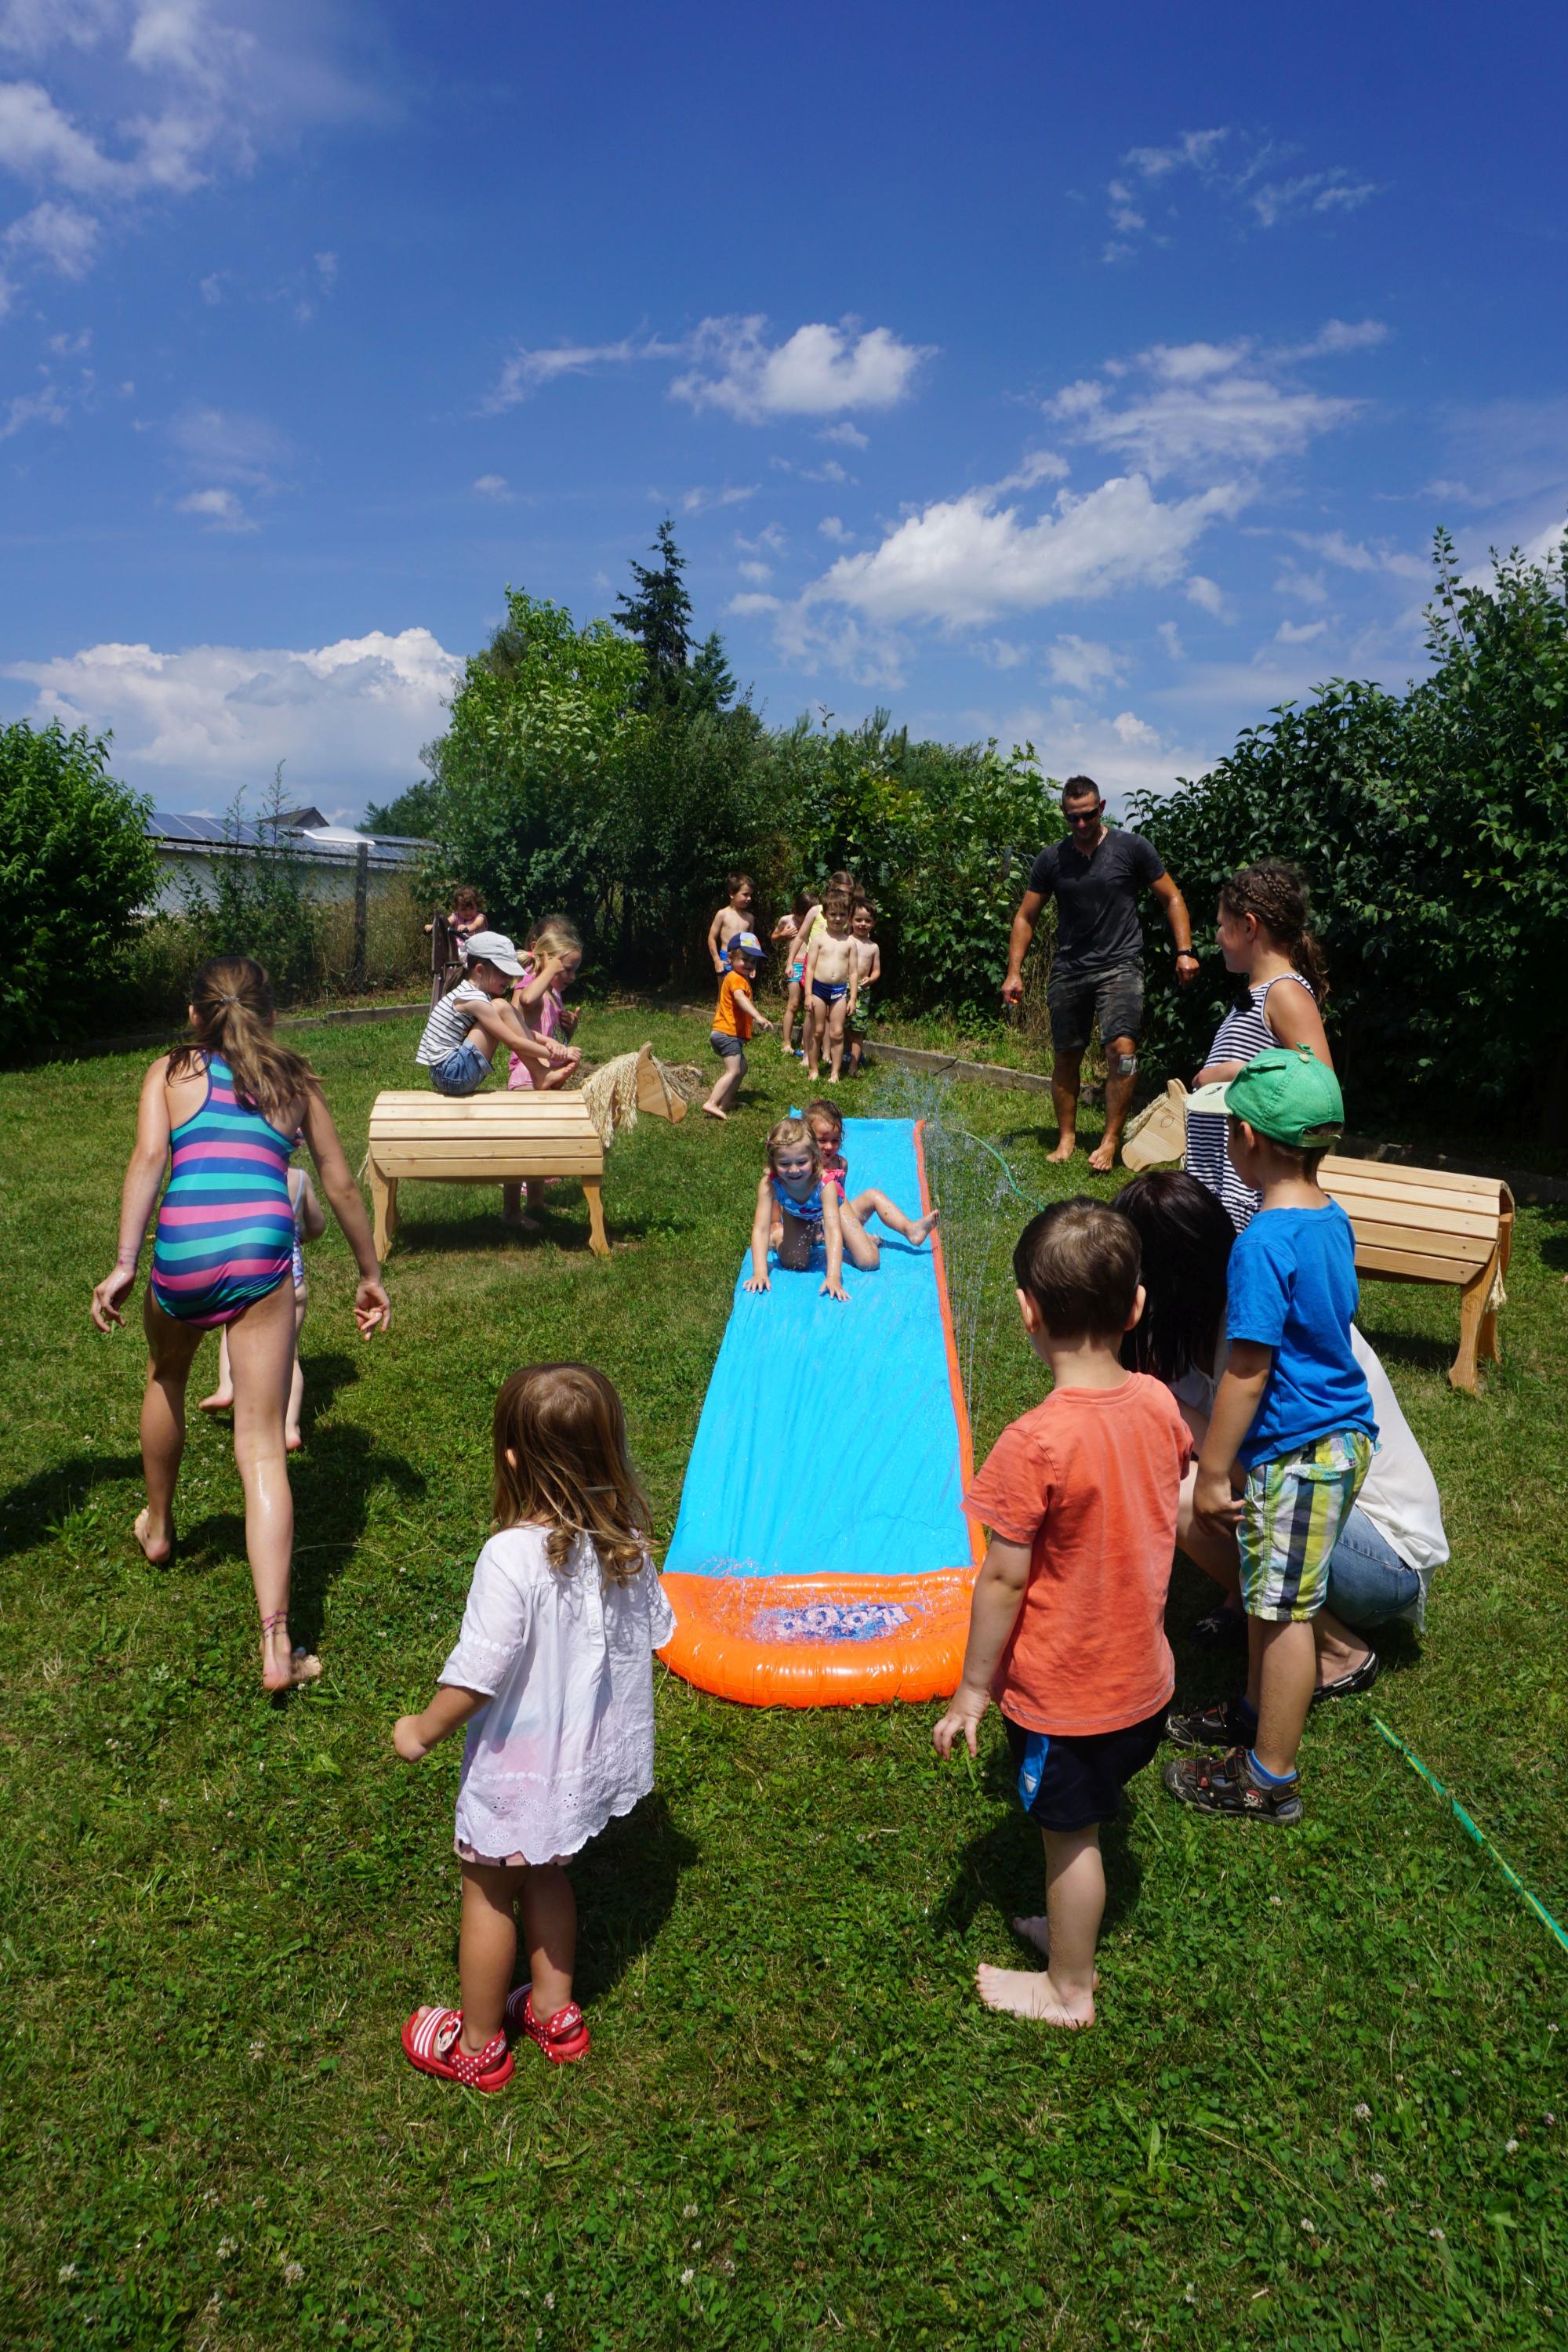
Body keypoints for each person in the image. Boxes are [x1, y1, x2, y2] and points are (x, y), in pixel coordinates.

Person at [89, 957, 390, 1691]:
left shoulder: (169, 1071)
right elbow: (341, 1182)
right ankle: (277, 1646)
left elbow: (148, 1160)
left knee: (166, 1375)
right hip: (262, 1252)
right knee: (261, 1449)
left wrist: (127, 1261)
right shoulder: (296, 1079)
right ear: (272, 1014)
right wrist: (370, 1273)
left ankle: (158, 1530)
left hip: (183, 1252)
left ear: (196, 1015)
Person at [932, 1200, 1192, 2028]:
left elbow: (1003, 1581)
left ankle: (1066, 1986)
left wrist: (973, 1691)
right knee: (1087, 1815)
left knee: (1067, 1836)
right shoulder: (1156, 1403)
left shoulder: (1033, 1443)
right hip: (1145, 1684)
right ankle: (1068, 1922)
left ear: (1026, 1312)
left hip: (1069, 1698)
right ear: (1137, 1307)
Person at [394, 1363, 675, 2090]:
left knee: (488, 1889)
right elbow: (651, 1633)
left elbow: (477, 1675)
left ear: (513, 1459)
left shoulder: (509, 1557)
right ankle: (554, 2011)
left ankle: (479, 2046)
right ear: (607, 1452)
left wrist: (422, 1730)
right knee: (547, 1870)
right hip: (573, 1762)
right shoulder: (626, 1546)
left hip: (517, 1766)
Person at [1113, 1168, 1447, 1694]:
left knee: (1182, 1494)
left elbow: (1270, 1473)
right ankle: (1249, 1606)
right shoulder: (1197, 1326)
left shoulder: (1261, 1335)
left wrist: (1166, 1407)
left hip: (1385, 1561)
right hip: (1334, 1522)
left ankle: (1338, 1652)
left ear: (1167, 1280)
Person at [1161, 1048, 1377, 1828]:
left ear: (1246, 1138)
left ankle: (1265, 1777)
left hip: (1303, 1449)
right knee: (1265, 1588)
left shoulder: (1259, 1243)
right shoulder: (1328, 1216)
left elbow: (1245, 1372)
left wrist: (1213, 1469)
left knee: (1284, 1613)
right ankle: (1253, 1714)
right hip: (1330, 1439)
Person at [1001, 775, 1199, 1172]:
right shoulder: (1052, 859)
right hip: (1070, 969)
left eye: (1088, 815)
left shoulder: (1131, 848)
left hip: (1121, 964)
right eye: (1072, 818)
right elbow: (1025, 917)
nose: (1080, 824)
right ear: (1064, 814)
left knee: (1122, 1052)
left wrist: (1185, 951)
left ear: (1102, 808)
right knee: (1066, 1055)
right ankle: (1067, 1138)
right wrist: (1014, 973)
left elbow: (1171, 896)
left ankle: (1109, 1141)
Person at [1185, 862, 1333, 1231]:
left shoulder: (1285, 992)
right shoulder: (1258, 993)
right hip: (1219, 1182)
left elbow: (1320, 1084)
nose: (1217, 936)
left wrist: (1232, 1073)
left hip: (1247, 1196)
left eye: (1222, 925)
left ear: (1249, 926)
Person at [199, 1142, 325, 1450]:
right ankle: (289, 1427)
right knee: (289, 1357)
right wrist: (300, 1236)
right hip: (292, 1285)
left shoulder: (244, 1180)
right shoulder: (300, 1180)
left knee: (232, 1331)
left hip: (250, 1282)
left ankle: (227, 1387)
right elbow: (318, 1226)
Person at [502, 917, 586, 1230]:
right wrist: (549, 969)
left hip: (544, 1074)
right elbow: (525, 1000)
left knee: (537, 1141)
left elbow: (546, 1032)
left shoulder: (551, 992)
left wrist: (569, 1031)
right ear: (549, 964)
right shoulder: (530, 984)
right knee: (521, 1144)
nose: (572, 976)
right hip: (526, 1076)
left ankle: (535, 1201)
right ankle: (511, 1210)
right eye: (568, 969)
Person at [414, 931, 559, 1099]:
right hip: (453, 1073)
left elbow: (517, 1030)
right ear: (480, 970)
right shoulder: (474, 1000)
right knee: (501, 1007)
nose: (509, 979)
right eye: (503, 973)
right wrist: (551, 1054)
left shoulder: (470, 993)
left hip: (447, 1073)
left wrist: (549, 1042)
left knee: (501, 1008)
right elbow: (513, 1041)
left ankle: (540, 1073)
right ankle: (540, 1073)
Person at [797, 1098, 938, 1256]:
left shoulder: (840, 1165)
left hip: (836, 1220)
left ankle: (910, 1230)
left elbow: (841, 1202)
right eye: (822, 1140)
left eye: (835, 1140)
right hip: (810, 1227)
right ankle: (852, 1239)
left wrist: (851, 1227)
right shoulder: (802, 1167)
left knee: (874, 1195)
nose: (829, 1147)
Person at [702, 931, 773, 1120]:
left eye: (753, 961)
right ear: (731, 957)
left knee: (743, 1067)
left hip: (725, 1034)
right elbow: (740, 998)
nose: (749, 964)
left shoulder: (739, 977)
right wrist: (758, 1016)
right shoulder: (735, 978)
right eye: (745, 960)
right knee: (733, 1070)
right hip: (727, 1034)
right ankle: (712, 1102)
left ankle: (727, 1102)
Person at [804, 889, 857, 1083]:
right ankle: (813, 1068)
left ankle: (835, 1072)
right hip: (818, 990)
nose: (837, 918)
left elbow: (853, 972)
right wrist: (808, 994)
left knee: (837, 1032)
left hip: (839, 992)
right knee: (817, 1031)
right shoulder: (818, 940)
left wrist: (852, 998)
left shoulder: (850, 943)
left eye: (842, 914)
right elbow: (809, 969)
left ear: (848, 916)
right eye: (833, 914)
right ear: (825, 915)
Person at [775, 888, 823, 1060]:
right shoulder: (787, 920)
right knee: (793, 1004)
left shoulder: (818, 921)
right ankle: (786, 1042)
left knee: (811, 1008)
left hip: (812, 966)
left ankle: (806, 1043)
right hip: (795, 965)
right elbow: (773, 937)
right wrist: (782, 934)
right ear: (798, 911)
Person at [427, 886, 488, 1006]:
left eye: (471, 908)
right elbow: (445, 923)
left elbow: (475, 925)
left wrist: (467, 928)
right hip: (457, 950)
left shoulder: (479, 917)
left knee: (462, 955)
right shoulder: (456, 916)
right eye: (463, 909)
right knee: (451, 958)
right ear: (457, 908)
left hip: (474, 951)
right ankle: (451, 982)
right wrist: (433, 927)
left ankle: (464, 975)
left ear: (477, 906)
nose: (468, 912)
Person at [846, 901, 880, 1075]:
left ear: (873, 923)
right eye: (858, 919)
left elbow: (877, 971)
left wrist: (871, 979)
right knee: (839, 1025)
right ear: (851, 920)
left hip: (862, 990)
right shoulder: (846, 940)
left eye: (867, 921)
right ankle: (836, 1056)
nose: (862, 924)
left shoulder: (873, 947)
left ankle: (853, 1065)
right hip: (842, 988)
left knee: (857, 1029)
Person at [706, 873, 757, 976]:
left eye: (750, 895)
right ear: (732, 894)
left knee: (742, 987)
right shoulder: (722, 914)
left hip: (744, 958)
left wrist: (753, 964)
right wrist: (716, 960)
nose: (749, 898)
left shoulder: (750, 918)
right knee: (724, 990)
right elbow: (712, 938)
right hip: (726, 958)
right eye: (745, 894)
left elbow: (752, 943)